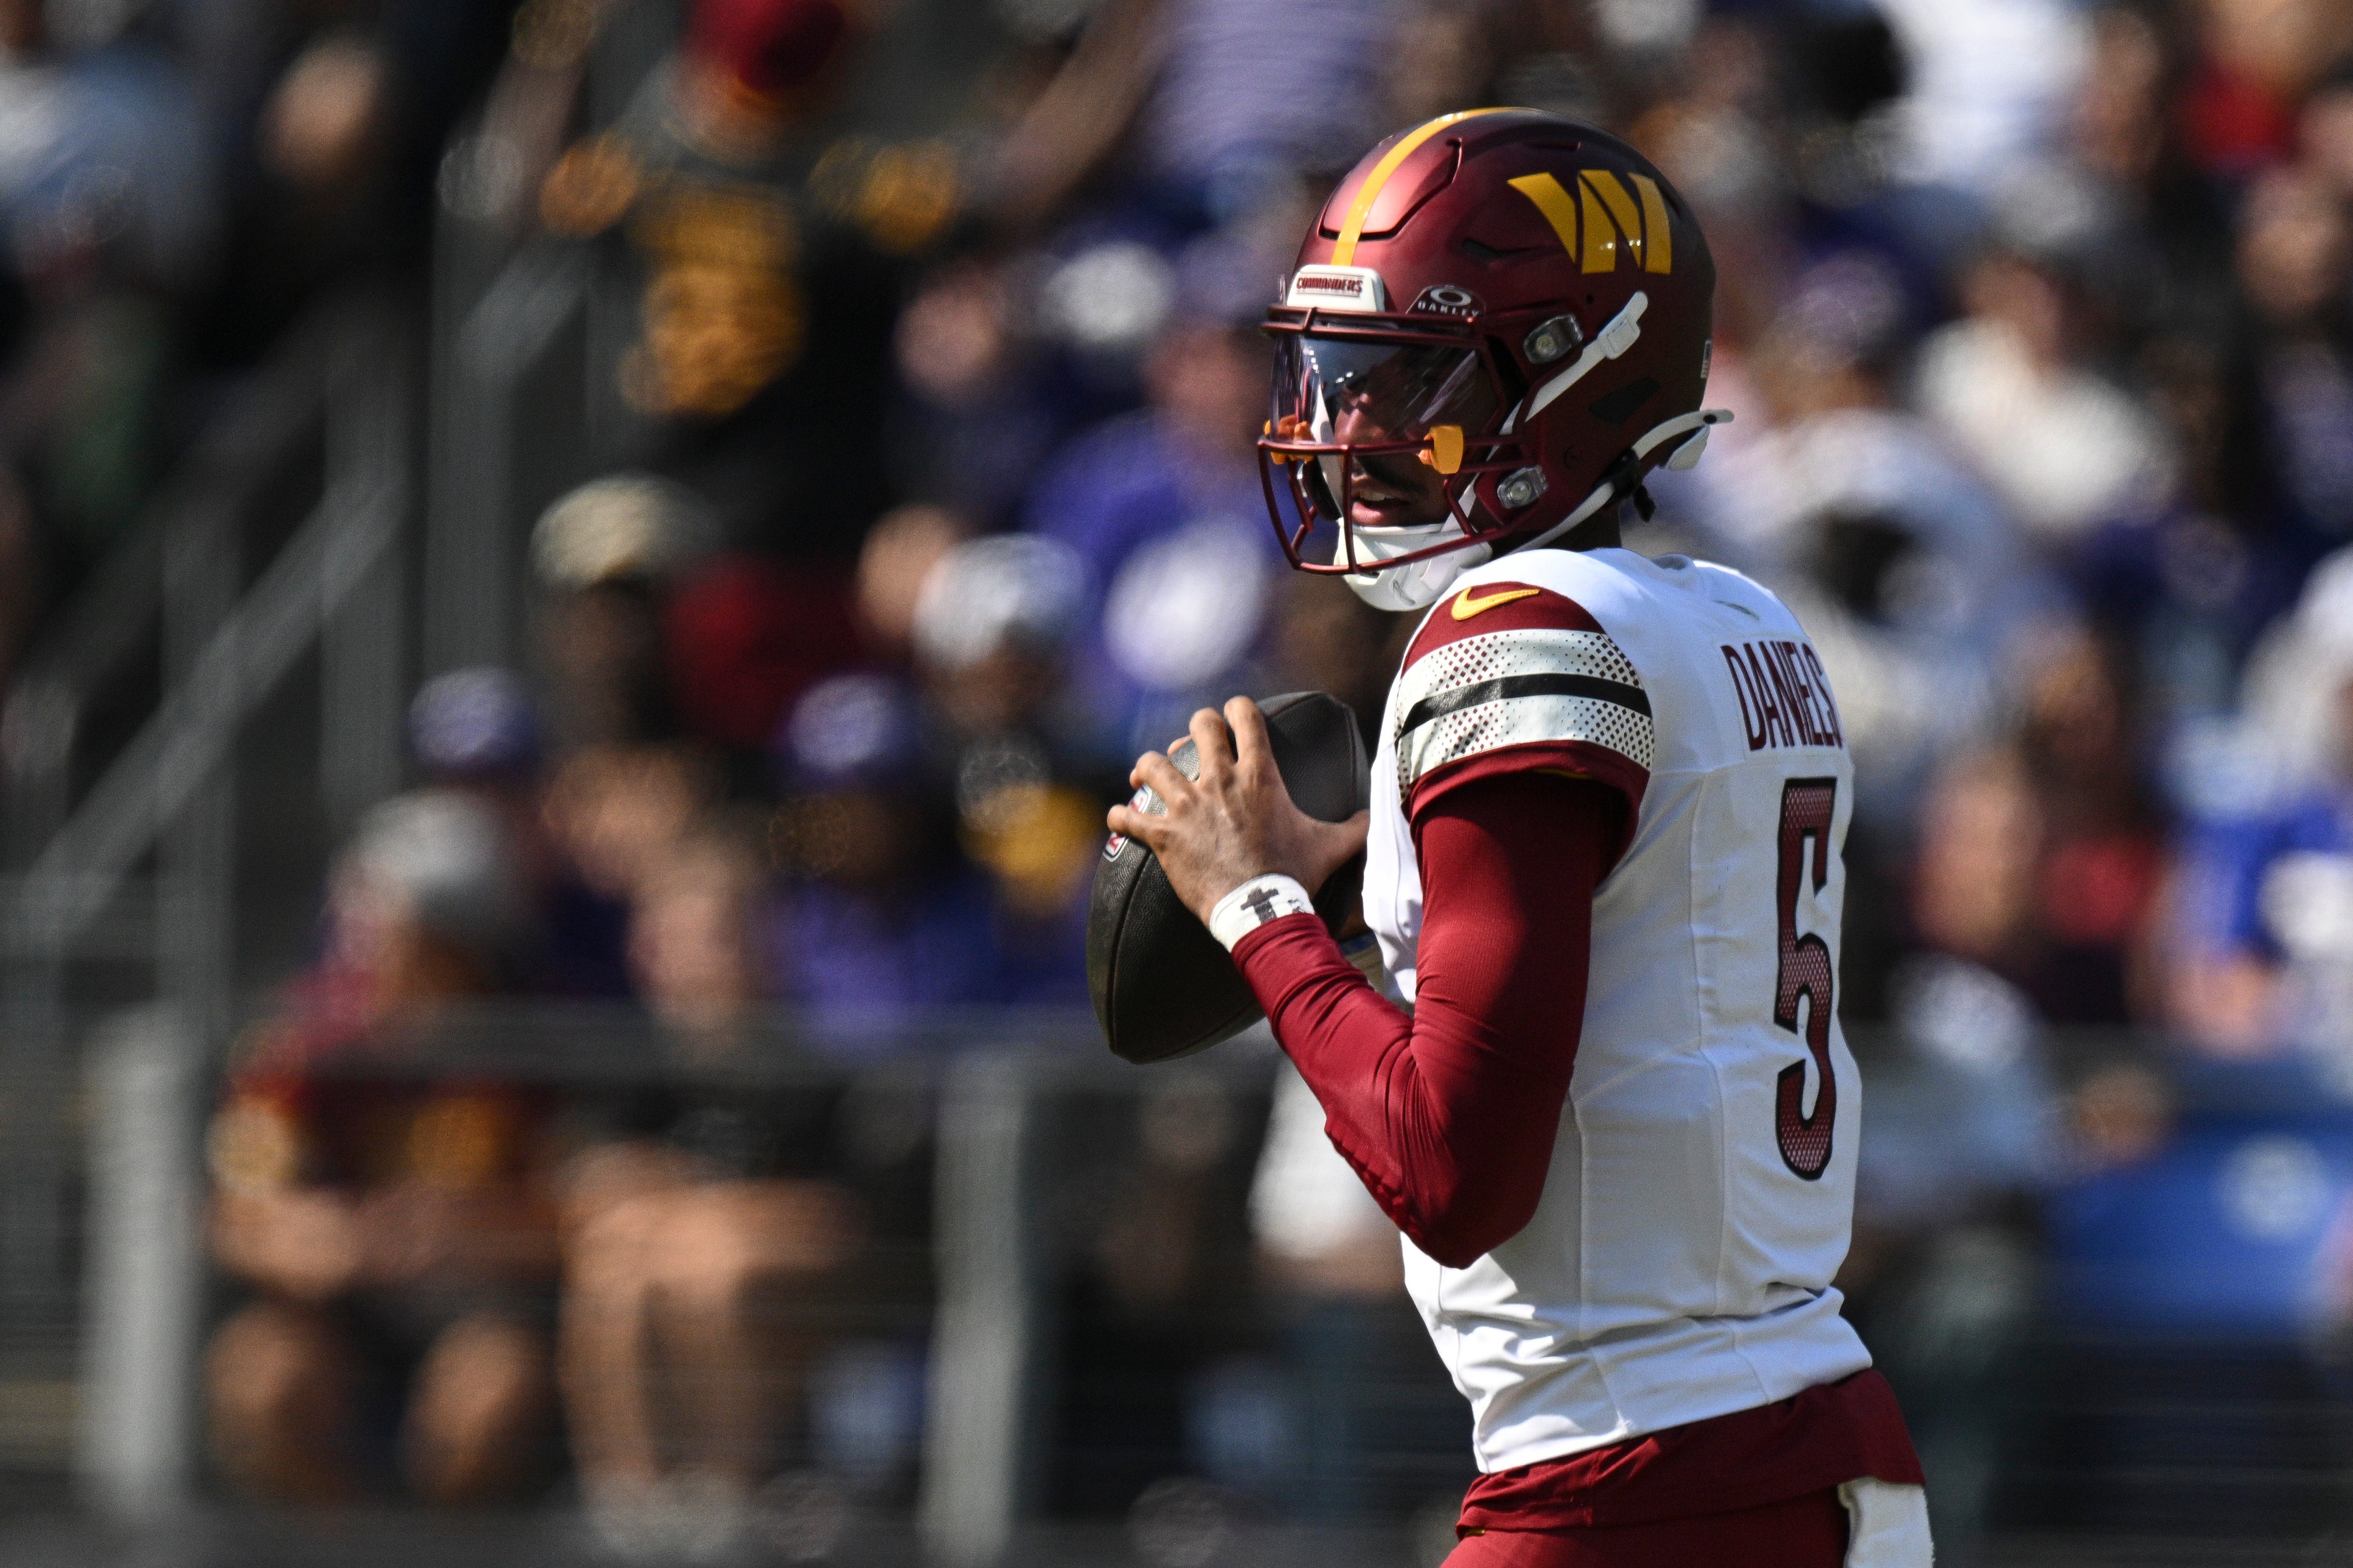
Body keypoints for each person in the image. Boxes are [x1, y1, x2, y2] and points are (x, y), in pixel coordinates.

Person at [1106, 111, 1928, 1565]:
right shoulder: (1742, 622)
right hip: (1818, 1441)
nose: (1347, 431)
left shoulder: (1515, 639)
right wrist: (1347, 875)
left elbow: (1452, 1171)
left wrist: (1257, 915)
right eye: (1336, 376)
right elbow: (1632, 948)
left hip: (1635, 1476)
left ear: (1576, 376)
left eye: (1406, 379)